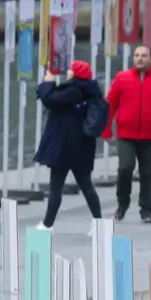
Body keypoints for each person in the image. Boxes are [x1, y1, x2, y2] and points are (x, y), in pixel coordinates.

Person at [101, 44, 151, 223]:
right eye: (136, 55)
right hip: (126, 134)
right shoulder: (121, 78)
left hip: (150, 135)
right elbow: (110, 105)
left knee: (147, 173)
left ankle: (146, 209)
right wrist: (105, 130)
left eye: (143, 56)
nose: (140, 58)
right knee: (125, 168)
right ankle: (122, 204)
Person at [34, 60, 105, 228]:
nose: (68, 72)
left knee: (56, 187)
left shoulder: (74, 91)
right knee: (86, 185)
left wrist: (48, 82)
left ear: (76, 73)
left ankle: (47, 225)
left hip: (64, 147)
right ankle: (99, 224)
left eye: (71, 70)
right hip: (82, 147)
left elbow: (50, 99)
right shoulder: (89, 91)